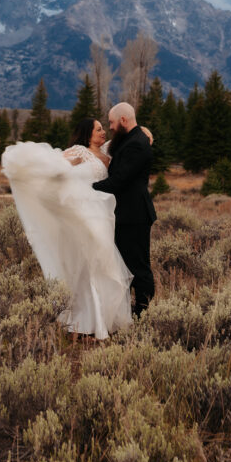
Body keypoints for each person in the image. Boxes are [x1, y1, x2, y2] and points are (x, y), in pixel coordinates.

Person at [1, 118, 133, 339]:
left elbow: (139, 135)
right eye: (98, 129)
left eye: (103, 129)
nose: (102, 133)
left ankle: (102, 320)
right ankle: (82, 323)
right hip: (80, 216)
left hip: (101, 216)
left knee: (102, 265)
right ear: (87, 134)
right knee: (84, 267)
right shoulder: (79, 152)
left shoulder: (108, 153)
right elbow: (56, 170)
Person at [92, 102, 156, 316]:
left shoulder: (136, 144)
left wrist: (88, 187)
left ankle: (143, 312)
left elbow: (119, 181)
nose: (109, 127)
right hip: (126, 214)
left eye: (111, 122)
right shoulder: (131, 139)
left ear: (123, 120)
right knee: (125, 265)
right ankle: (128, 312)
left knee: (138, 266)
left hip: (134, 215)